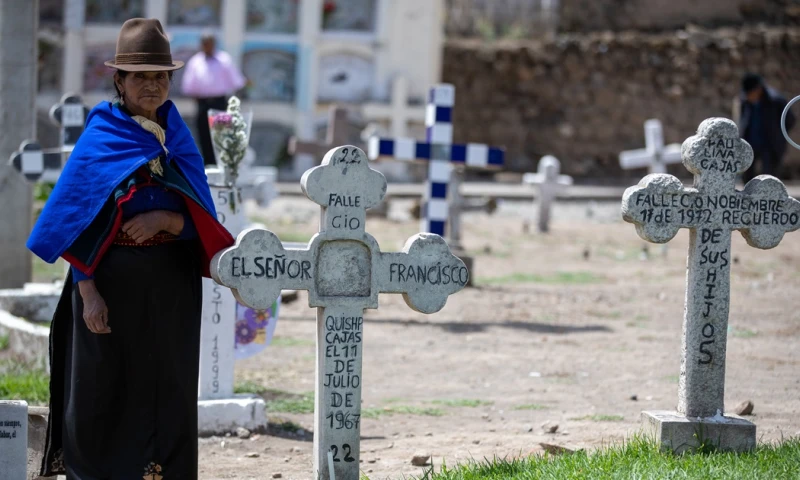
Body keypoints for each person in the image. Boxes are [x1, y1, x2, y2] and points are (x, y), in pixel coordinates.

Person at [27, 18, 234, 478]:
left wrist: (168, 219)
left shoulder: (178, 135)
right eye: (140, 75)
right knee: (104, 390)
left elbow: (204, 217)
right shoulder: (102, 134)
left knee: (169, 385)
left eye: (160, 75)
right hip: (109, 287)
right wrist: (88, 293)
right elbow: (74, 218)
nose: (152, 84)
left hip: (172, 287)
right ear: (119, 80)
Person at [181, 32, 247, 165]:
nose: (207, 46)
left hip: (220, 103)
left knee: (221, 135)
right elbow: (188, 86)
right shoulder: (195, 62)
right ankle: (208, 165)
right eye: (205, 43)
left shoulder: (224, 59)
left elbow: (237, 82)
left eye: (209, 43)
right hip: (202, 104)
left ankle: (223, 164)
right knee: (204, 136)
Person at [738, 73, 796, 183]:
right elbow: (743, 120)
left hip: (770, 146)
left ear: (758, 89)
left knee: (770, 179)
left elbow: (790, 120)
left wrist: (778, 135)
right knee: (747, 177)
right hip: (750, 143)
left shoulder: (776, 101)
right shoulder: (745, 101)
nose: (748, 96)